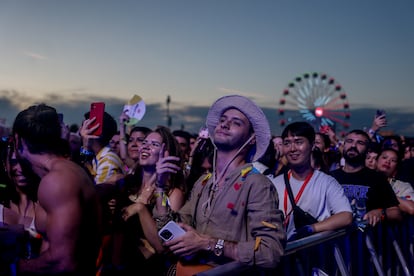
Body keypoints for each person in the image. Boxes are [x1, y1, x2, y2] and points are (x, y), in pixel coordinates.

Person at [153, 95, 286, 273]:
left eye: (236, 122)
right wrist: (161, 189)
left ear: (252, 138)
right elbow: (171, 229)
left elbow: (271, 252)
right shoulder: (204, 182)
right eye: (222, 120)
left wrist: (207, 243)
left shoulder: (257, 184)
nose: (224, 124)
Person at [12, 103, 102, 275]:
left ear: (18, 140)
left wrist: (15, 267)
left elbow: (63, 263)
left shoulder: (57, 181)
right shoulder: (67, 172)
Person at [109, 126, 186, 275]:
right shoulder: (126, 183)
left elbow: (163, 246)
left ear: (166, 153)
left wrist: (140, 209)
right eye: (145, 142)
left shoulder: (172, 193)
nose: (145, 146)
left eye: (154, 144)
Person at [271, 122, 352, 241]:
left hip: (314, 252)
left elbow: (346, 216)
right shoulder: (274, 183)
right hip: (282, 253)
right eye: (287, 143)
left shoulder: (326, 182)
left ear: (312, 145)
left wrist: (311, 228)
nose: (292, 149)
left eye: (299, 142)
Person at [330, 129, 402, 226]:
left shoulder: (377, 178)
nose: (353, 146)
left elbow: (396, 213)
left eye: (360, 143)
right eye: (349, 141)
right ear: (344, 145)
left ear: (368, 151)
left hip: (365, 238)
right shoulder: (330, 177)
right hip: (334, 238)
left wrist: (380, 213)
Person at [80, 110, 125, 185]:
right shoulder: (98, 156)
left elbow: (96, 193)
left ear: (94, 131)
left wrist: (85, 147)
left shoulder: (108, 161)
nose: (80, 131)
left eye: (84, 126)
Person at [376, 148, 414, 215]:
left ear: (396, 168)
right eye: (384, 157)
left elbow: (411, 208)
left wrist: (384, 192)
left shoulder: (402, 186)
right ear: (376, 161)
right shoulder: (364, 179)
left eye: (393, 160)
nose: (387, 161)